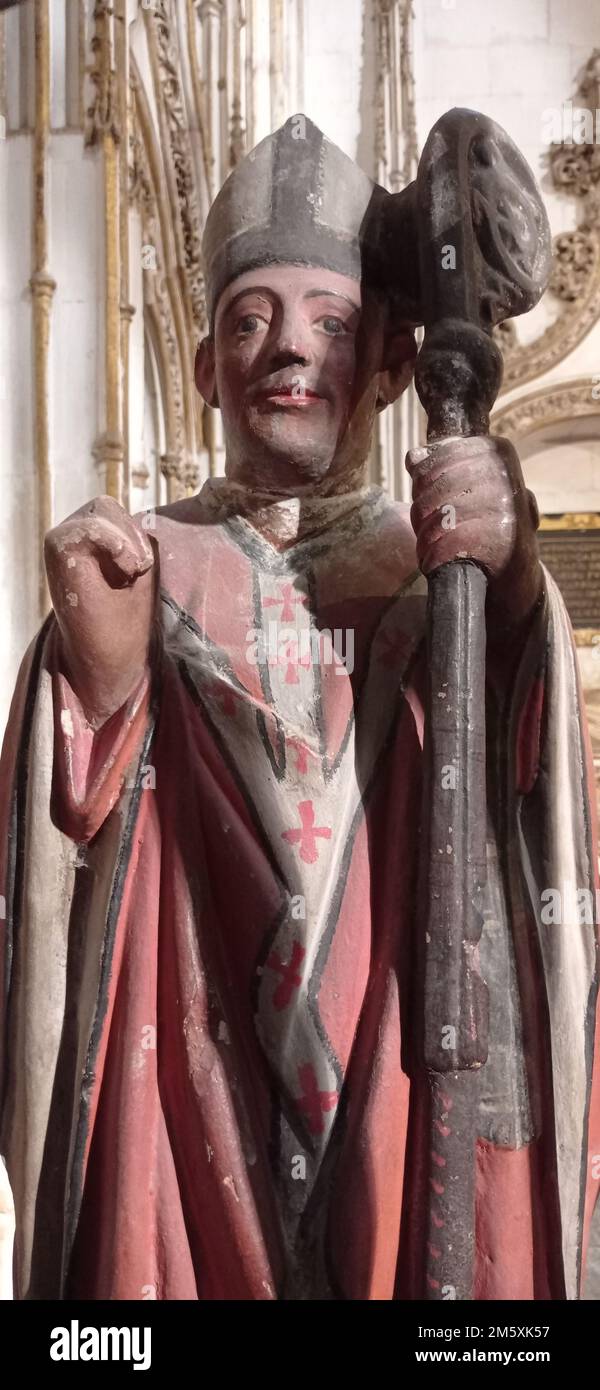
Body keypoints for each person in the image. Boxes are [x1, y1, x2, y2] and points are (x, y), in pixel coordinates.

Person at [0, 113, 598, 1301]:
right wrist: (98, 682)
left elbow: (529, 766)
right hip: (187, 1110)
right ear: (207, 364)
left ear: (386, 360)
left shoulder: (449, 583)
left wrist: (516, 574)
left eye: (330, 323)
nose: (289, 351)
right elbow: (71, 863)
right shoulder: (143, 563)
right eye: (250, 320)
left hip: (401, 1088)